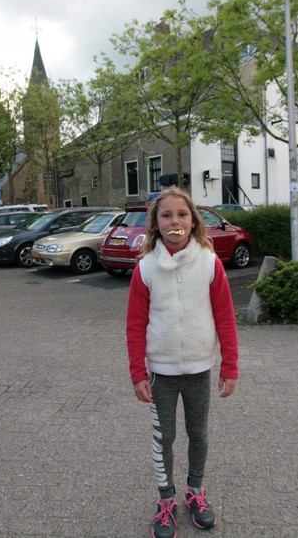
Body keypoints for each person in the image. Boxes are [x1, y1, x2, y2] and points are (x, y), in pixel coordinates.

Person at [126, 187, 239, 537]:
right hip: (160, 373)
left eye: (182, 214)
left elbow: (225, 317)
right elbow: (135, 325)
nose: (174, 221)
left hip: (198, 369)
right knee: (164, 438)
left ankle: (195, 492)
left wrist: (230, 366)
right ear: (155, 223)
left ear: (193, 221)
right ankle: (166, 501)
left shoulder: (209, 263)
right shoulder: (145, 268)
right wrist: (138, 373)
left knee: (198, 434)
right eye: (166, 215)